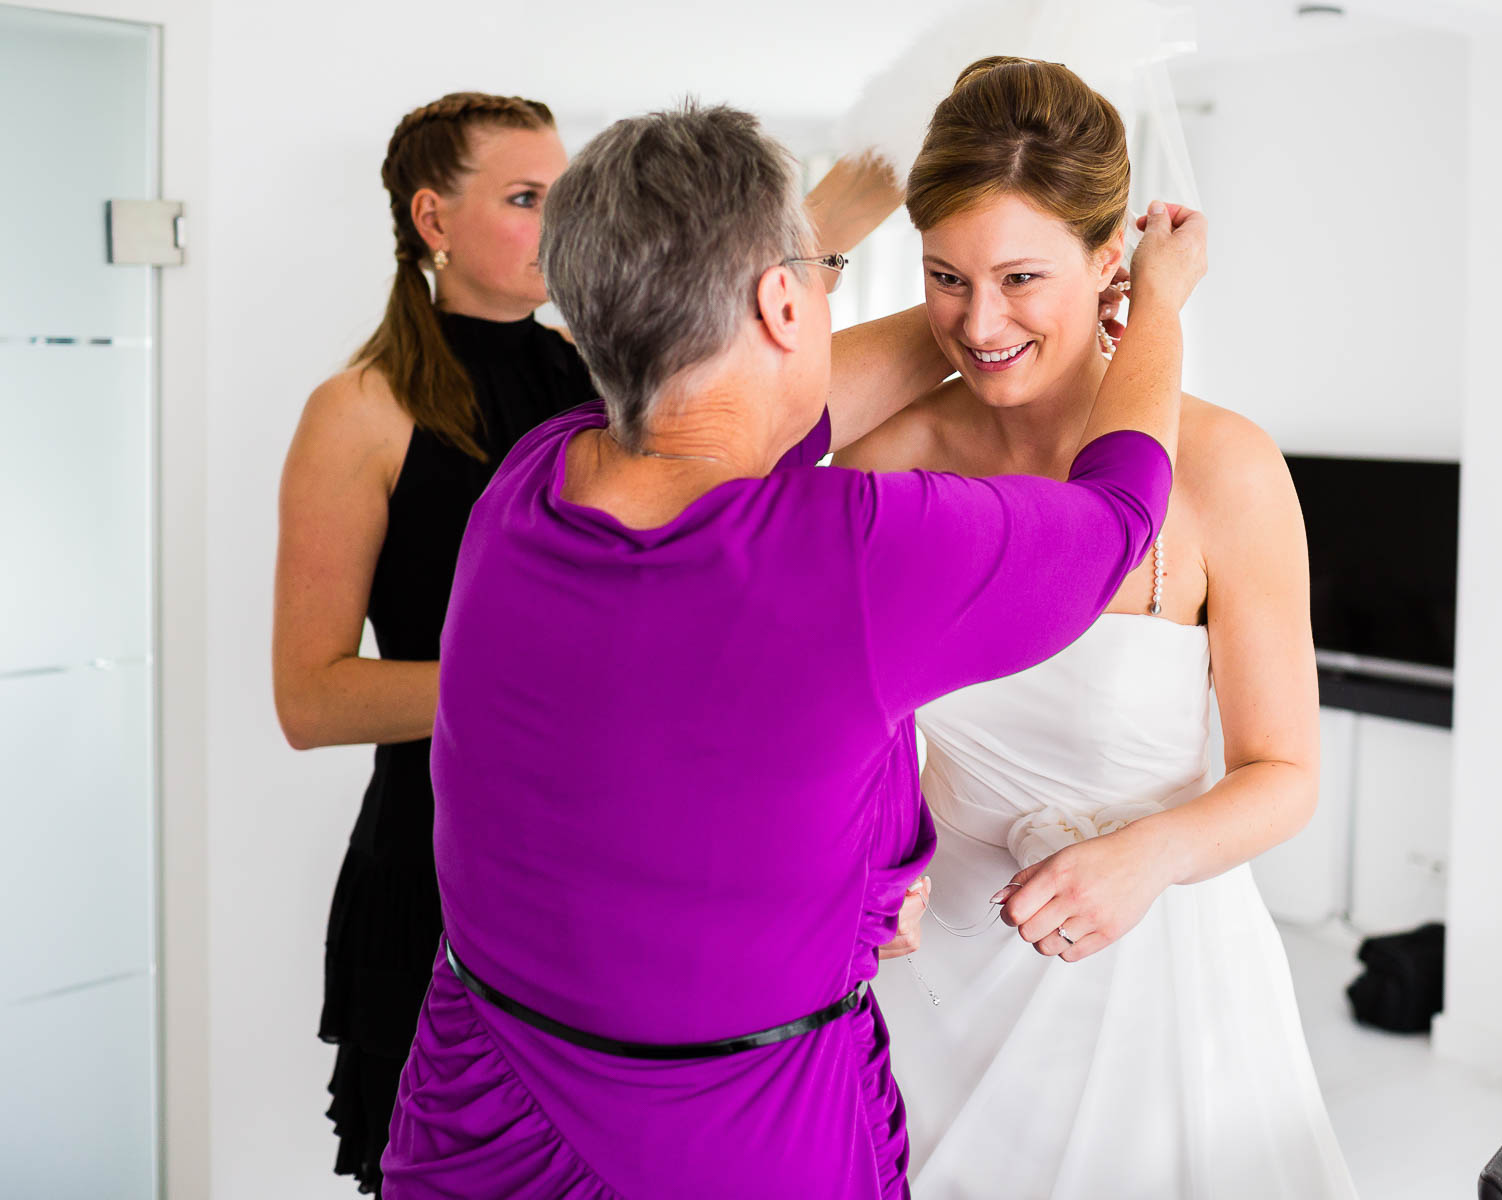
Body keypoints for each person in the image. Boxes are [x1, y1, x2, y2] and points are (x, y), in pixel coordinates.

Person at [378, 100, 1205, 1199]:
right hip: (734, 1137)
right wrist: (1155, 302)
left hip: (476, 1104)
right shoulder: (855, 551)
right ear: (781, 300)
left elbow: (758, 409)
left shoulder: (532, 476)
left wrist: (992, 299)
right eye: (815, 275)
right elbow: (1116, 519)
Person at [273, 91, 921, 1193]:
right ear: (433, 218)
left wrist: (879, 265)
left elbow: (746, 354)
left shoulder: (599, 375)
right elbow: (312, 698)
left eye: (566, 195)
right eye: (529, 198)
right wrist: (549, 679)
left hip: (621, 866)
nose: (565, 219)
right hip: (443, 864)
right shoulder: (361, 408)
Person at [841, 58, 1361, 1198]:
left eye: (1023, 276)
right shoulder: (889, 464)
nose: (980, 324)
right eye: (945, 278)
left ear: (1108, 261)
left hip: (1161, 970)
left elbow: (1285, 772)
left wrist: (1153, 856)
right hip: (938, 975)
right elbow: (842, 719)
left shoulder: (1227, 467)